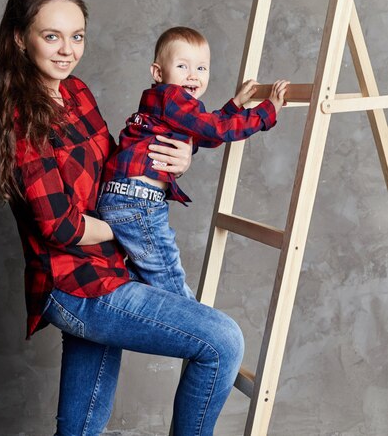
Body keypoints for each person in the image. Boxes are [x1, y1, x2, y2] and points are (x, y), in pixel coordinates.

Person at [0, 0, 245, 436]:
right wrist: (131, 218)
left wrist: (177, 158)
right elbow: (61, 228)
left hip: (110, 268)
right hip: (75, 285)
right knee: (221, 341)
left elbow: (117, 165)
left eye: (76, 36)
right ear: (21, 41)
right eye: (51, 36)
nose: (67, 49)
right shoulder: (20, 122)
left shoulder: (77, 92)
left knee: (81, 430)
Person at [98, 26, 289, 297]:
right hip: (139, 201)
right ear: (158, 72)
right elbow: (215, 130)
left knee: (143, 283)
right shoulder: (171, 97)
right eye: (182, 66)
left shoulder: (164, 105)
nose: (193, 75)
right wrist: (267, 111)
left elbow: (203, 134)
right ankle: (198, 335)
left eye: (201, 68)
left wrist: (234, 105)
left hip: (123, 198)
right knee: (174, 290)